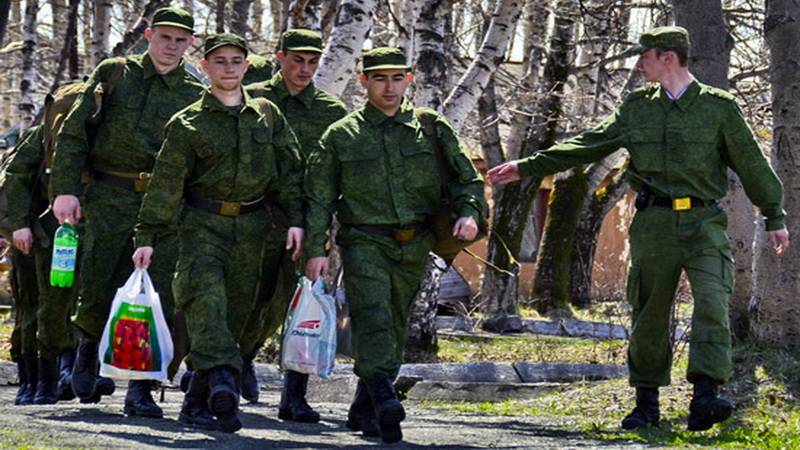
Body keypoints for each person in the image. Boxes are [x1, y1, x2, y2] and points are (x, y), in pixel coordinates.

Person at [487, 26, 790, 432]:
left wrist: (774, 216)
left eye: (644, 56)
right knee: (648, 314)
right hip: (654, 225)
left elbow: (751, 163)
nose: (638, 64)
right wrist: (528, 166)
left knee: (713, 306)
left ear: (668, 57)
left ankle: (705, 396)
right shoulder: (636, 107)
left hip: (704, 223)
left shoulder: (719, 108)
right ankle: (646, 403)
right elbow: (590, 143)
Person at [304, 47, 486, 443]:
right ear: (363, 81)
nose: (389, 86)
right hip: (364, 239)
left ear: (409, 80)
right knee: (373, 315)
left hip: (416, 242)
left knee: (396, 320)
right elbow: (318, 197)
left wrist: (470, 211)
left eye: (396, 77)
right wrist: (316, 249)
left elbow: (466, 178)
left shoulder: (431, 128)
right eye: (379, 78)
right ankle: (385, 398)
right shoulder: (341, 135)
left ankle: (364, 404)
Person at [132, 33, 304, 433]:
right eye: (220, 61)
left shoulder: (267, 115)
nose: (228, 68)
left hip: (253, 230)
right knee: (206, 304)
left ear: (247, 66)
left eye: (236, 61)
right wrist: (147, 237)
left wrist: (297, 220)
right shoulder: (188, 123)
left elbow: (291, 173)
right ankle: (225, 379)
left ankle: (196, 402)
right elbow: (165, 184)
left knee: (237, 315)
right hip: (202, 228)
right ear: (205, 67)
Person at [50, 7, 203, 416]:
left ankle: (143, 387)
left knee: (159, 295)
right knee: (98, 281)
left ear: (190, 42)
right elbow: (73, 133)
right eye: (165, 37)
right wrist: (65, 190)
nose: (171, 46)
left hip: (164, 204)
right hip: (109, 194)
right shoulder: (115, 74)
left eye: (181, 39)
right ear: (149, 35)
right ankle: (86, 353)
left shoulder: (195, 90)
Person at [240, 28, 347, 422]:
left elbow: (337, 171)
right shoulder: (255, 100)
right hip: (253, 214)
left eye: (312, 61)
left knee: (302, 304)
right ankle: (237, 359)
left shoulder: (331, 111)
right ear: (279, 57)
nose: (304, 69)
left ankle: (294, 396)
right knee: (247, 298)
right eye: (296, 59)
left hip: (307, 219)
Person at [7, 123, 83, 405]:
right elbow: (15, 177)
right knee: (33, 306)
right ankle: (34, 380)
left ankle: (66, 375)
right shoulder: (43, 134)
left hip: (76, 233)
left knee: (70, 306)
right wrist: (17, 225)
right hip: (35, 233)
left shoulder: (104, 135)